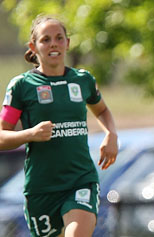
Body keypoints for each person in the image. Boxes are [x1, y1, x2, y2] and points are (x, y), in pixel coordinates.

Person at [0, 15, 119, 237]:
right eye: (45, 39)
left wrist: (111, 135)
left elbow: (101, 110)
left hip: (80, 180)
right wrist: (30, 134)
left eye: (59, 38)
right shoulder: (21, 86)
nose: (53, 43)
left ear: (68, 43)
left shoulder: (83, 80)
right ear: (33, 47)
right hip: (41, 188)